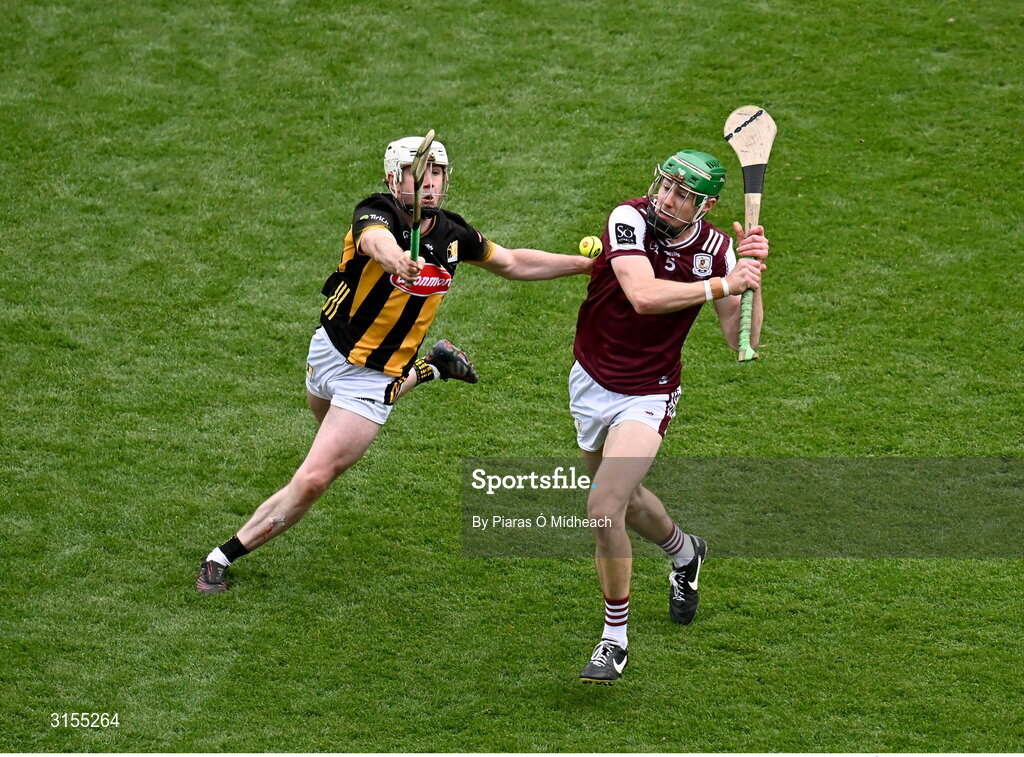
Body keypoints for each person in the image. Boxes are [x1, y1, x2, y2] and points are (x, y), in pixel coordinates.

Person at [196, 135, 592, 593]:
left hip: (373, 378)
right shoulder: (376, 210)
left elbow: (514, 262)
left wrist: (584, 268)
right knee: (322, 418)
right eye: (416, 173)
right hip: (327, 351)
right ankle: (433, 367)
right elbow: (374, 240)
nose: (428, 183)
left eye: (437, 172)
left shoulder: (454, 234)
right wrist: (397, 260)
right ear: (393, 178)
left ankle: (221, 556)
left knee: (313, 477)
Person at [570, 148, 769, 683]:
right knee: (628, 499)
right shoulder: (627, 218)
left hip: (649, 392)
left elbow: (740, 340)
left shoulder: (718, 253)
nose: (667, 199)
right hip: (590, 379)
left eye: (682, 194)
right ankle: (686, 553)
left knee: (602, 506)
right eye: (665, 186)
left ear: (702, 205)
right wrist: (723, 284)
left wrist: (751, 275)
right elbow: (641, 295)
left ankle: (614, 641)